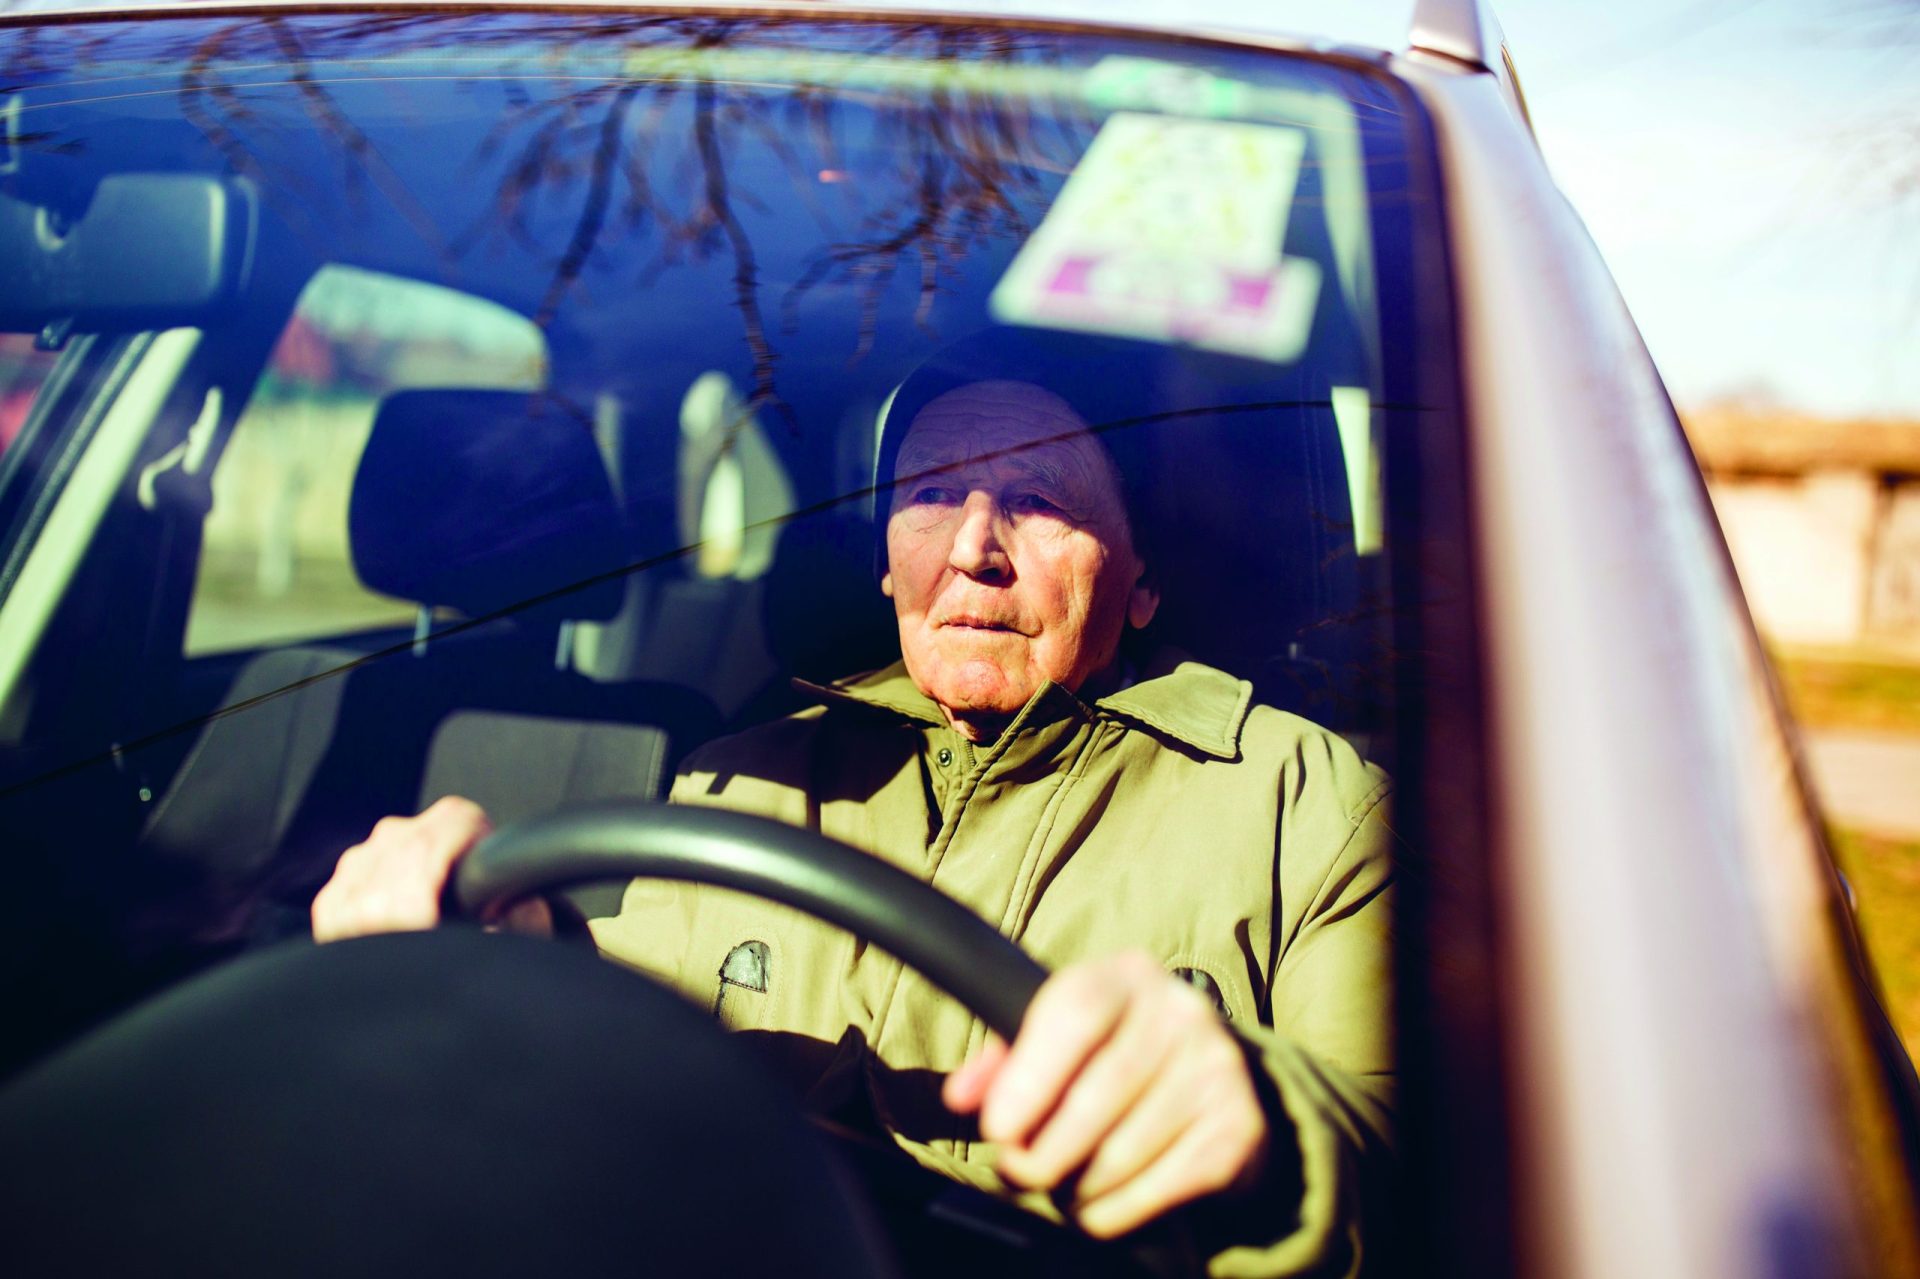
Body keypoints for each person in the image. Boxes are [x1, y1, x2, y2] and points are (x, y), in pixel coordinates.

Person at [313, 378, 1396, 1278]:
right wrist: (508, 956)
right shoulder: (743, 780)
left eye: (1036, 498)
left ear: (1142, 577)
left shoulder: (1308, 802)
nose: (975, 544)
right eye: (931, 495)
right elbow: (629, 1058)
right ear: (887, 560)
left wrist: (1263, 1122)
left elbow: (1413, 1160)